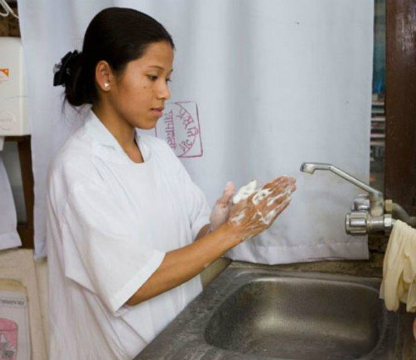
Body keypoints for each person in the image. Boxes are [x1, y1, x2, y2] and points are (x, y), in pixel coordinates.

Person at [45, 7, 296, 359]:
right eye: (152, 77)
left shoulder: (158, 153)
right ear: (105, 75)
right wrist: (233, 233)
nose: (164, 92)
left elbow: (191, 243)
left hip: (171, 346)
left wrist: (219, 226)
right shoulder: (78, 169)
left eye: (168, 78)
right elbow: (134, 285)